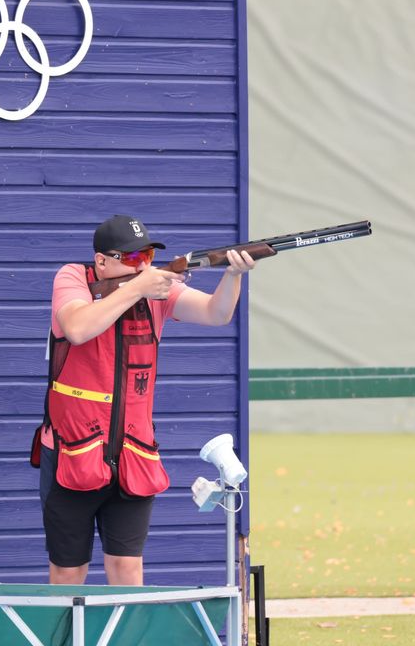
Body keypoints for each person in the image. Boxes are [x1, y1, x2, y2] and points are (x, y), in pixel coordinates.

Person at [36, 214, 256, 586]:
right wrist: (138, 288)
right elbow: (76, 328)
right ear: (102, 261)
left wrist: (233, 275)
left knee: (127, 568)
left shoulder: (156, 291)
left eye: (148, 256)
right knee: (68, 571)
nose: (144, 266)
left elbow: (216, 314)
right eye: (133, 259)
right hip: (71, 450)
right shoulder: (73, 277)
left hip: (133, 452)